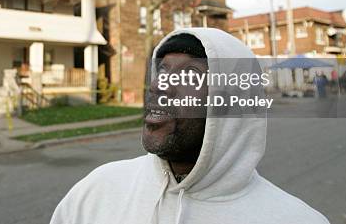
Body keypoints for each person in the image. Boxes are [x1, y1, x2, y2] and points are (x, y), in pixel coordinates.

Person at [50, 28, 328, 224]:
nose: (159, 86)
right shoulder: (98, 190)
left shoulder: (295, 219)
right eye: (163, 70)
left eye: (191, 74)